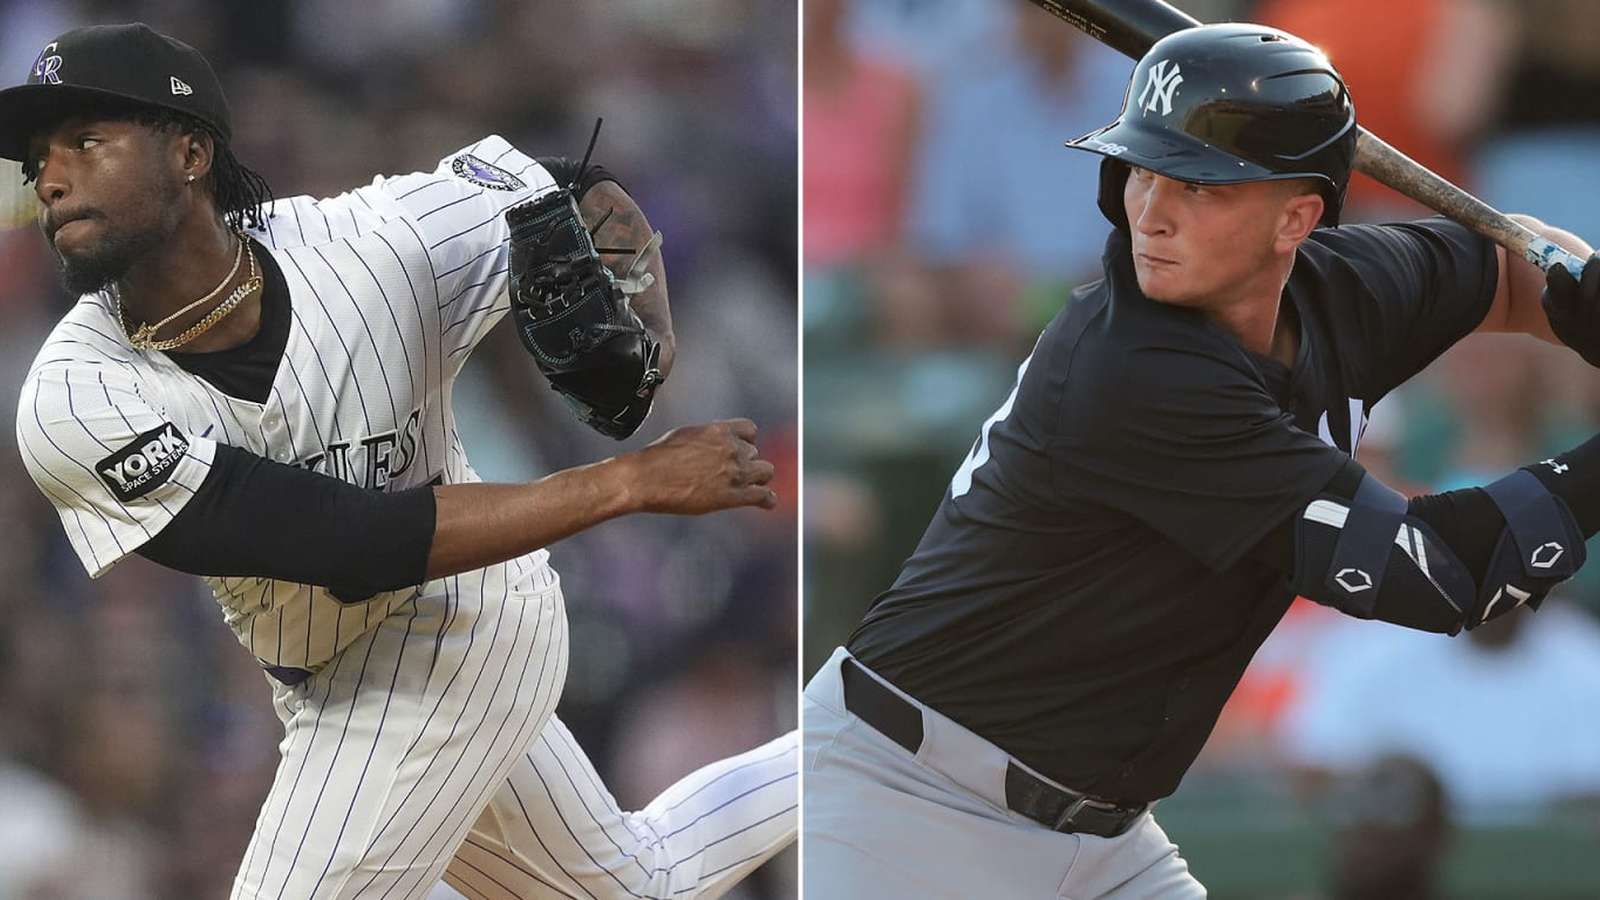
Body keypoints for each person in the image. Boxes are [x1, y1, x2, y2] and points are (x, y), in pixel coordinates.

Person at [802, 23, 1600, 898]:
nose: (1152, 211)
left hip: (1101, 832)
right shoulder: (1132, 367)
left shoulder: (1344, 288)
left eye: (1197, 184)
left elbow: (1514, 266)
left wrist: (1585, 291)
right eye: (1142, 170)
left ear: (1295, 217)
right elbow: (1441, 573)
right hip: (909, 803)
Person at [5, 23, 796, 900]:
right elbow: (348, 541)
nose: (51, 178)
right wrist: (629, 482)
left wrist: (651, 324)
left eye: (85, 142)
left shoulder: (374, 246)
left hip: (464, 622)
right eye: (38, 157)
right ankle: (857, 739)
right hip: (331, 666)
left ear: (190, 151)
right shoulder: (73, 399)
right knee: (642, 883)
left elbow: (566, 189)